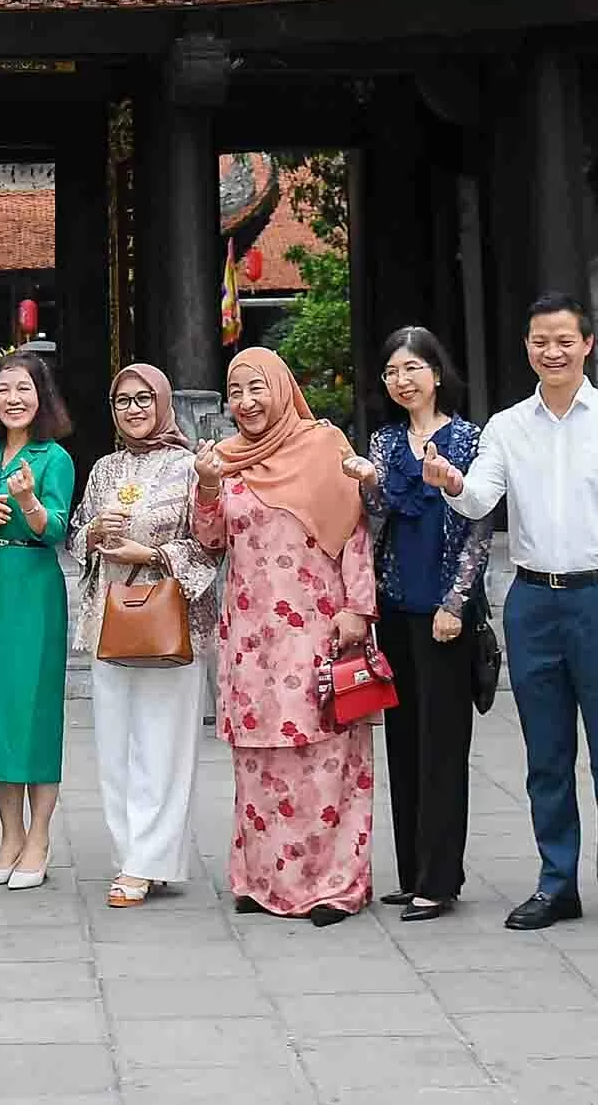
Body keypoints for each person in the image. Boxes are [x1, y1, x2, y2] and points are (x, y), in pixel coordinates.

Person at [423, 294, 598, 939]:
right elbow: (480, 499)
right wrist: (451, 483)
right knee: (546, 755)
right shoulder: (507, 426)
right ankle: (556, 882)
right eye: (539, 341)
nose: (551, 352)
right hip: (533, 600)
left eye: (564, 340)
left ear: (587, 344)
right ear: (527, 347)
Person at [200, 345, 380, 923]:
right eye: (236, 391)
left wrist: (358, 608)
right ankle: (262, 882)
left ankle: (333, 885)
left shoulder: (325, 446)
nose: (247, 402)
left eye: (258, 388)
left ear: (281, 388)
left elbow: (355, 529)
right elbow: (210, 540)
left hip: (318, 625)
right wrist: (205, 488)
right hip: (252, 632)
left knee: (323, 757)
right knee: (261, 761)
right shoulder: (224, 459)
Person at [358, 327, 488, 921]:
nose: (402, 380)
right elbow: (379, 518)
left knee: (442, 746)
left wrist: (456, 604)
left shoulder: (469, 439)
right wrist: (367, 486)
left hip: (444, 614)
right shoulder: (384, 444)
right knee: (405, 742)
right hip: (397, 606)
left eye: (412, 368)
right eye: (391, 372)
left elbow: (479, 528)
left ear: (437, 373)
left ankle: (441, 877)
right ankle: (412, 871)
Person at [75, 361, 213, 909]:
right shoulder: (104, 469)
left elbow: (210, 543)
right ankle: (130, 853)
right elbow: (77, 536)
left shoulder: (191, 467)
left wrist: (153, 554)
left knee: (164, 743)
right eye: (122, 401)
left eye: (142, 399)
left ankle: (146, 862)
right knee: (115, 746)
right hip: (110, 618)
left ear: (162, 404)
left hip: (169, 620)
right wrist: (92, 534)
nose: (133, 409)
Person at [0, 348, 78, 889]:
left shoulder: (53, 457)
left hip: (35, 586)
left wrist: (30, 503)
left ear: (42, 397)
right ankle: (8, 837)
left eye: (24, 390)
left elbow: (55, 528)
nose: (13, 399)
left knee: (34, 711)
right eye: (4, 389)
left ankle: (39, 836)